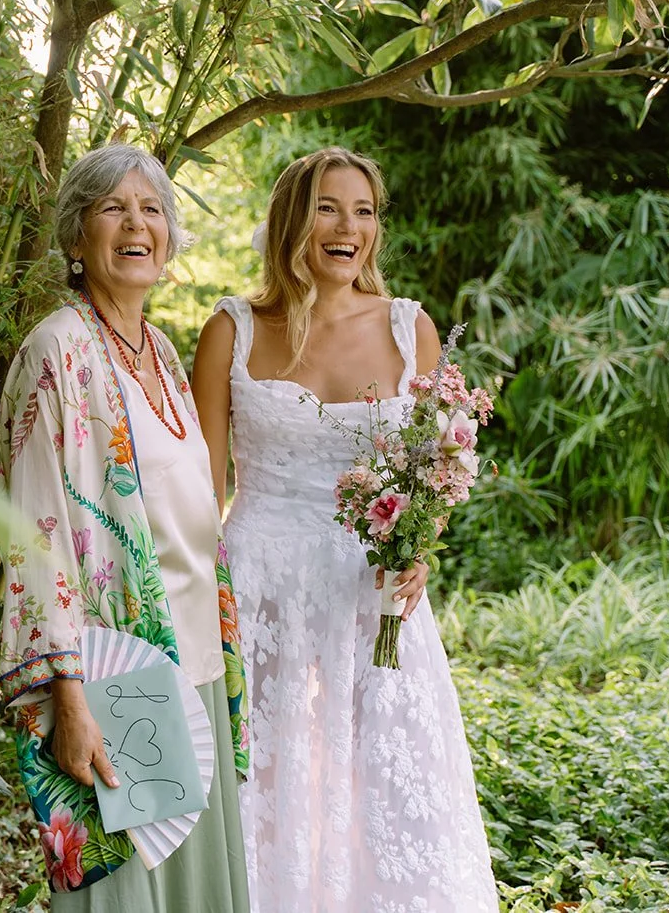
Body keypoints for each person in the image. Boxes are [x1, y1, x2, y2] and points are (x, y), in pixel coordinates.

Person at [192, 146, 498, 911]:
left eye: (363, 211)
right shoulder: (231, 329)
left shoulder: (409, 329)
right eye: (328, 207)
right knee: (267, 784)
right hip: (259, 591)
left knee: (384, 786)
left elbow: (430, 470)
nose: (347, 227)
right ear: (293, 219)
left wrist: (420, 548)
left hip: (374, 598)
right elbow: (201, 494)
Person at [0, 144, 251, 910]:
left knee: (193, 890)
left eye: (152, 210)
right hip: (116, 676)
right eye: (114, 208)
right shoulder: (56, 351)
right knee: (127, 896)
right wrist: (67, 699)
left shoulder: (162, 353)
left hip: (194, 665)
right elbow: (31, 536)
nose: (137, 224)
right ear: (77, 238)